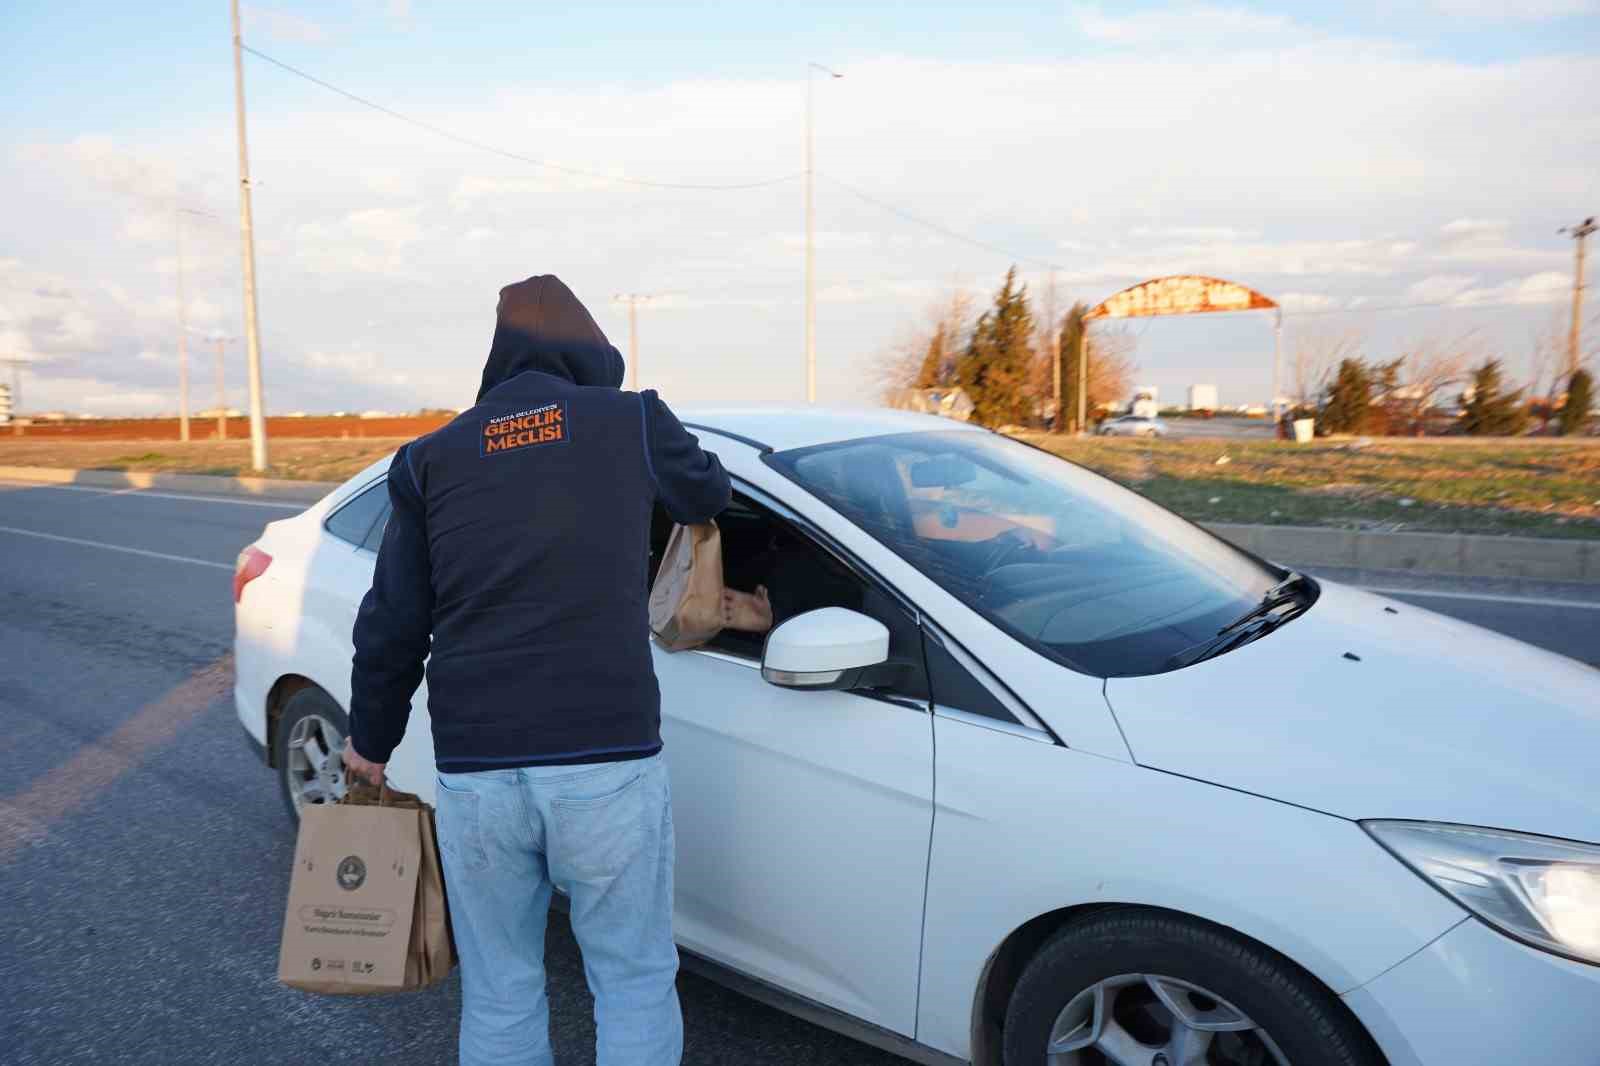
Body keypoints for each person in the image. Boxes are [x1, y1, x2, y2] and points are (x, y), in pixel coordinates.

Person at [342, 274, 730, 1066]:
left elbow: (392, 622)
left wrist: (370, 743)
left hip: (478, 770)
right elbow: (708, 492)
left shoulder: (428, 459)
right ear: (590, 350)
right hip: (604, 759)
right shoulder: (632, 421)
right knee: (631, 979)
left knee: (500, 988)